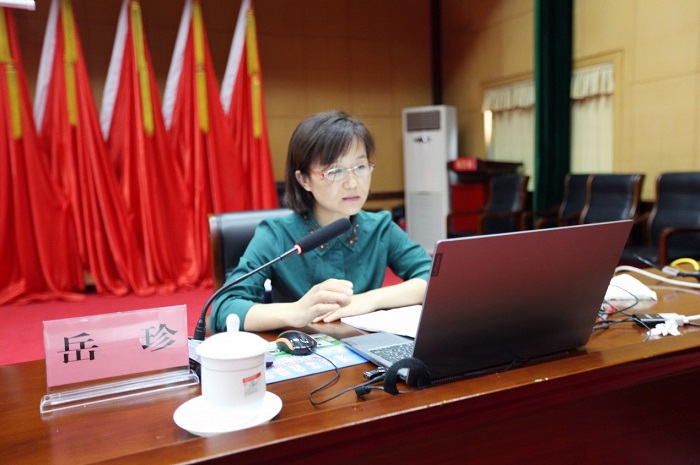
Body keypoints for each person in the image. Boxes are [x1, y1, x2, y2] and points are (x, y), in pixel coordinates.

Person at [211, 110, 432, 333]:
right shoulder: (277, 234)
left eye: (360, 167)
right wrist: (295, 311)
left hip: (365, 348)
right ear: (304, 180)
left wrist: (369, 300)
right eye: (335, 171)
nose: (352, 183)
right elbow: (224, 307)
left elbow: (432, 277)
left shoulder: (379, 227)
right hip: (301, 349)